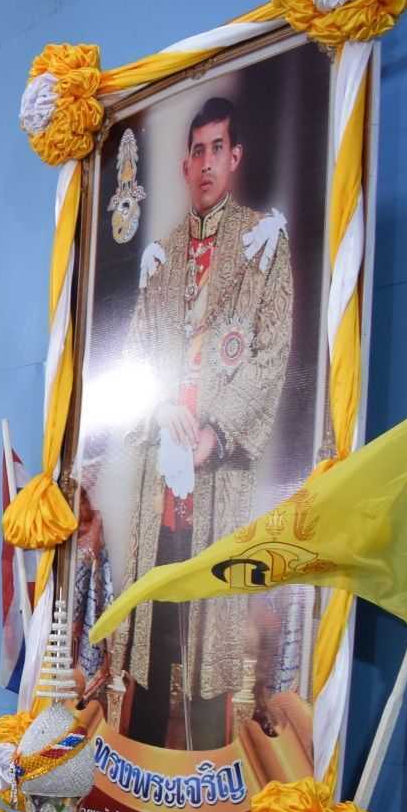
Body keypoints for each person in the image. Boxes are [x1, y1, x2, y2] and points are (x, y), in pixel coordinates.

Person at [112, 94, 294, 749]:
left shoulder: (261, 243)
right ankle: (144, 766)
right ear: (185, 166)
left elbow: (271, 355)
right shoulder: (161, 256)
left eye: (218, 148)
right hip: (160, 483)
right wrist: (158, 406)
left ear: (235, 157)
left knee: (210, 636)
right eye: (197, 151)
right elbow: (134, 358)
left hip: (218, 479)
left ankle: (208, 777)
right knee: (157, 630)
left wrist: (216, 432)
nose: (208, 162)